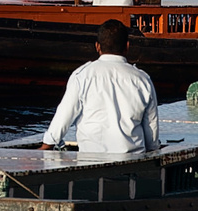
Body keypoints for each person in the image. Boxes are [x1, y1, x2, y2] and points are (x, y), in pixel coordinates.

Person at [40, 18, 162, 154]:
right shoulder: (143, 80)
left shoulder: (82, 76)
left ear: (97, 47)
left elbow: (64, 116)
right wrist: (153, 148)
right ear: (127, 46)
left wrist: (47, 145)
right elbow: (151, 128)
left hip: (91, 160)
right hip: (133, 160)